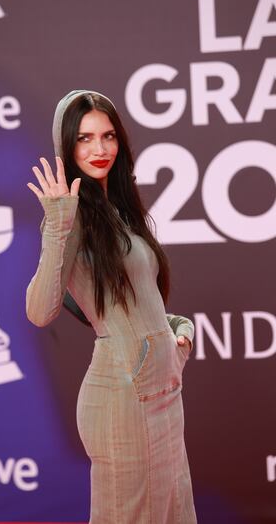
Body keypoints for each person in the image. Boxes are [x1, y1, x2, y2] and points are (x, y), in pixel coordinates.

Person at [26, 89, 197, 524]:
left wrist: (175, 330)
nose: (99, 149)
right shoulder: (70, 217)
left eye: (108, 136)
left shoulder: (119, 209)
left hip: (162, 394)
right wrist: (58, 223)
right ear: (66, 145)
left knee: (175, 509)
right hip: (121, 397)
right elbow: (40, 310)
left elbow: (140, 302)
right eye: (84, 138)